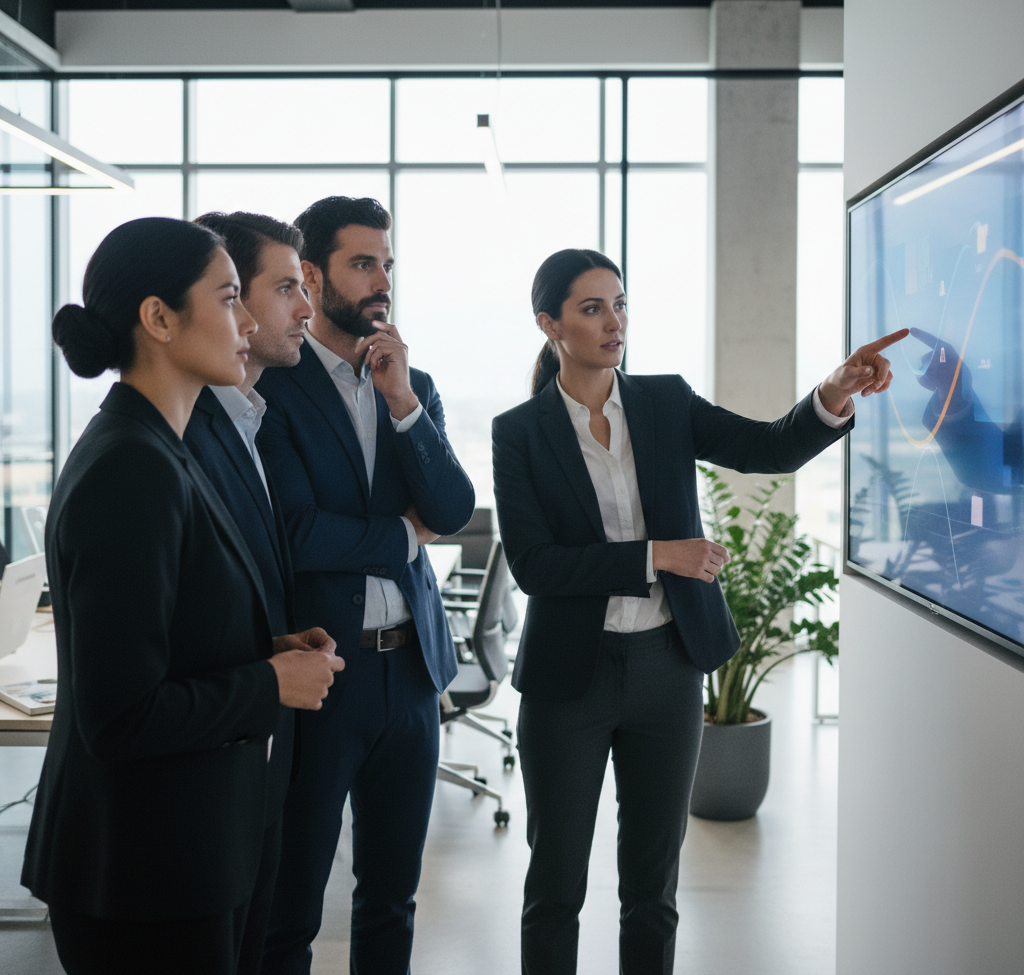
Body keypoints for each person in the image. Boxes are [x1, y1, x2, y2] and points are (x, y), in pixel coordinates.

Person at [491, 247, 908, 975]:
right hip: (567, 684)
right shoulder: (518, 431)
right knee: (555, 887)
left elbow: (769, 448)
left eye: (620, 304)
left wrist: (834, 390)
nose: (615, 322)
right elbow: (535, 566)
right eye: (592, 309)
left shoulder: (665, 402)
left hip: (667, 670)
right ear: (549, 324)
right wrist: (658, 555)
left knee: (653, 892)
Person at [22, 217, 344, 975]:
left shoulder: (163, 448)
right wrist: (269, 683)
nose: (248, 323)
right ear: (159, 319)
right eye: (230, 299)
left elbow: (171, 635)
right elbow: (119, 715)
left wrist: (264, 649)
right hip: (144, 871)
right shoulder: (130, 468)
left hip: (186, 852)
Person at [256, 195, 476, 975]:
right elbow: (296, 533)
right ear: (312, 277)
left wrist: (403, 402)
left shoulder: (411, 386)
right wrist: (400, 536)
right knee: (291, 904)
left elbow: (452, 511)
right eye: (362, 264)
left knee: (392, 899)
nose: (382, 281)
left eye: (387, 264)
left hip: (411, 674)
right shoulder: (272, 391)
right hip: (324, 674)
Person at [184, 211, 339, 975]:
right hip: (197, 790)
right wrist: (269, 675)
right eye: (286, 289)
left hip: (254, 760)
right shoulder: (181, 441)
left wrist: (272, 645)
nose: (306, 307)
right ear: (233, 301)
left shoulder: (246, 422)